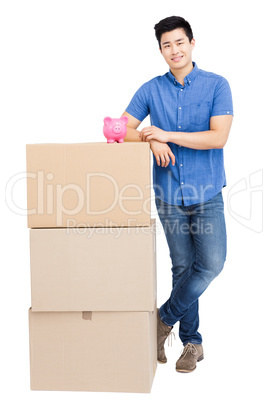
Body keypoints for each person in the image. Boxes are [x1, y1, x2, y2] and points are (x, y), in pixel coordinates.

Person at [122, 16, 233, 373]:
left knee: (211, 264)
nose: (175, 50)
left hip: (207, 191)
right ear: (160, 50)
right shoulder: (151, 89)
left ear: (192, 43)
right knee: (183, 268)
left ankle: (162, 320)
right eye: (167, 45)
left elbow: (218, 137)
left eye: (180, 42)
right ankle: (192, 344)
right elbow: (118, 128)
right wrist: (148, 138)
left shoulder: (217, 85)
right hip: (168, 193)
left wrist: (166, 134)